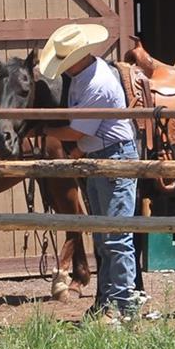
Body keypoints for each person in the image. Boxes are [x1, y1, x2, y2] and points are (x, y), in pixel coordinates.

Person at [35, 23, 139, 320]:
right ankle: (109, 302)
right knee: (107, 237)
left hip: (113, 158)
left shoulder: (97, 84)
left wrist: (43, 129)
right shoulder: (84, 76)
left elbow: (75, 130)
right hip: (102, 155)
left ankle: (123, 307)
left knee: (116, 236)